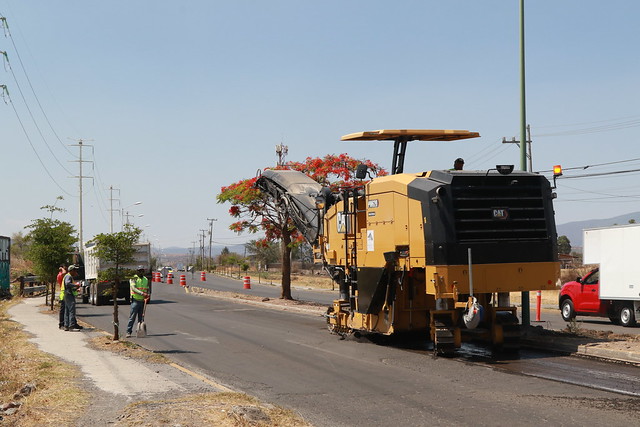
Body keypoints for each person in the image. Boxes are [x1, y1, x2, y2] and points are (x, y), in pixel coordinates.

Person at [126, 266, 150, 338]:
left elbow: (147, 288)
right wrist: (142, 293)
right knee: (132, 317)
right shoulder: (133, 278)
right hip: (135, 300)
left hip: (142, 301)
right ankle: (128, 332)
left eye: (142, 271)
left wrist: (147, 295)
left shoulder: (145, 279)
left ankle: (139, 331)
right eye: (139, 271)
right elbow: (133, 288)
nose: (141, 272)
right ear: (137, 271)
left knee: (141, 318)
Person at [62, 265, 83, 331]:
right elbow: (67, 284)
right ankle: (71, 326)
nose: (75, 272)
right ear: (71, 271)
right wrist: (75, 285)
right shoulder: (68, 276)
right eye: (75, 270)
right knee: (71, 310)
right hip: (68, 294)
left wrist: (75, 288)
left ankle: (66, 325)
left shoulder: (67, 276)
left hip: (67, 294)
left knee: (67, 310)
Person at [57, 264, 67, 329]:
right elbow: (64, 273)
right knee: (62, 309)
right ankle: (61, 324)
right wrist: (62, 268)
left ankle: (65, 323)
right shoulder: (60, 275)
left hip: (65, 293)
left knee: (66, 309)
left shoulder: (64, 275)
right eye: (65, 267)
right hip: (63, 293)